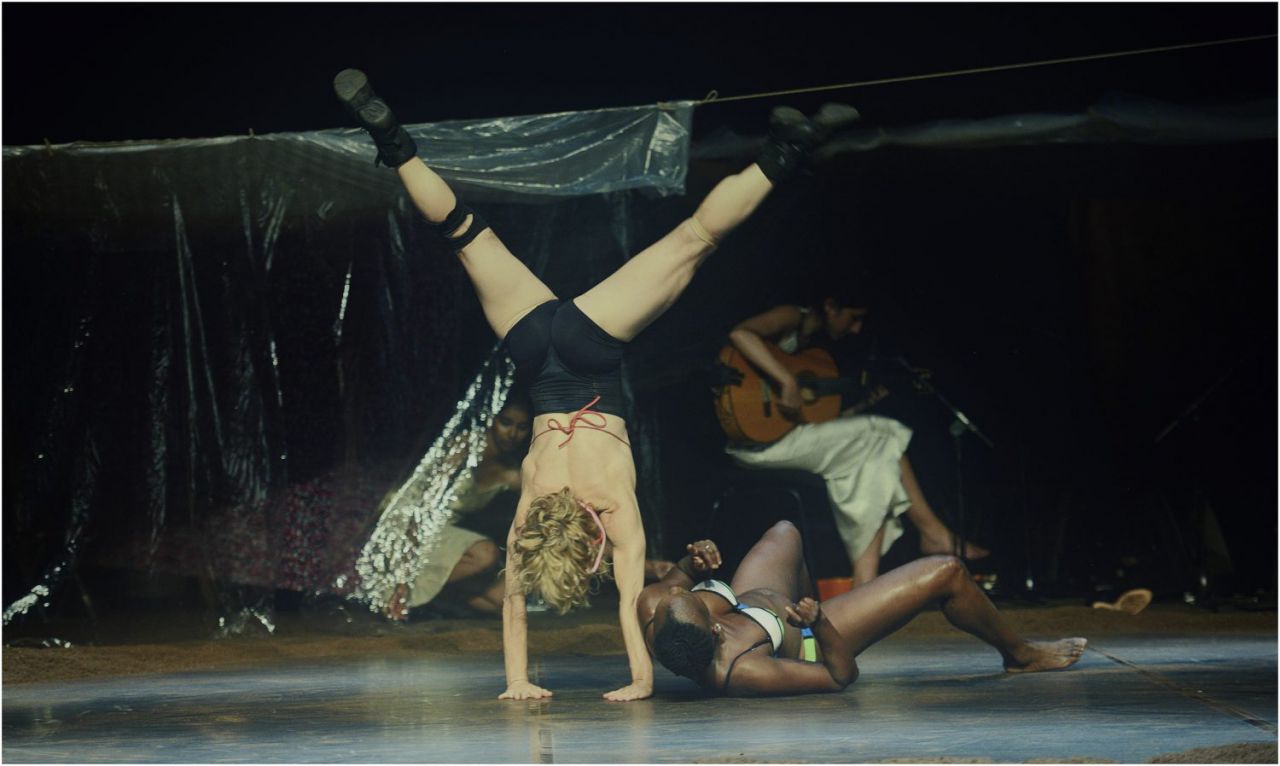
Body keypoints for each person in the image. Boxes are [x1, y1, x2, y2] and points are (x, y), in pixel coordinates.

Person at [334, 68, 860, 701]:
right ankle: (388, 134)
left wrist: (640, 680)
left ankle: (790, 148)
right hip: (533, 346)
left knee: (695, 239)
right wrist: (516, 680)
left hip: (591, 347)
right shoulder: (531, 503)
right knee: (465, 234)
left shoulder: (614, 509)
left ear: (590, 548)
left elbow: (624, 606)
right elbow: (514, 608)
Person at [638, 521, 1085, 696]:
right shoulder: (745, 671)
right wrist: (820, 621)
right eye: (694, 598)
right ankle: (1019, 655)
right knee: (946, 570)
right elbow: (841, 676)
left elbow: (675, 584)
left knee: (786, 532)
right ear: (715, 629)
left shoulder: (659, 611)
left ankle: (815, 603)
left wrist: (688, 563)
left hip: (759, 600)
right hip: (816, 638)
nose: (681, 592)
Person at [726, 293, 989, 586]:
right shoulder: (792, 315)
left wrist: (863, 405)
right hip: (756, 444)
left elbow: (818, 416)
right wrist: (786, 381)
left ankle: (869, 578)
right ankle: (930, 535)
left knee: (872, 460)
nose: (856, 329)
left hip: (786, 437)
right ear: (830, 305)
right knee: (881, 433)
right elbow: (741, 334)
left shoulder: (815, 353)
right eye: (853, 317)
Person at [384, 393, 534, 620]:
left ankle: (425, 601)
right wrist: (405, 576)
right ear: (492, 419)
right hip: (408, 522)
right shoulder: (466, 446)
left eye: (522, 427)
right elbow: (421, 507)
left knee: (498, 600)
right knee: (485, 554)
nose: (512, 434)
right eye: (506, 422)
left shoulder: (512, 472)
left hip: (440, 534)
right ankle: (399, 594)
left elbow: (543, 503)